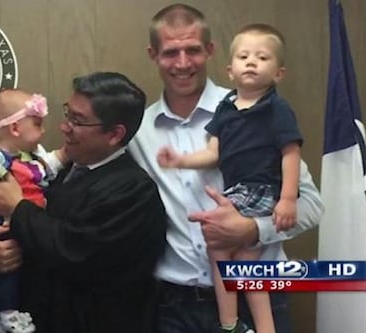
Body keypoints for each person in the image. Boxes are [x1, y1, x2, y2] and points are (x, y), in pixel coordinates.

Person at [127, 4, 324, 333]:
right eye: (171, 52)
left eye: (193, 50)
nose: (183, 63)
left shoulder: (257, 111)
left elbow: (312, 206)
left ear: (211, 50)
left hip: (259, 297)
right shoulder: (138, 132)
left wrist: (253, 230)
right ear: (153, 54)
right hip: (175, 308)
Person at [0, 71, 168, 333]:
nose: (64, 127)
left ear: (114, 134)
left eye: (78, 120)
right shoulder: (51, 172)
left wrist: (18, 209)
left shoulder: (133, 192)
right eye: (67, 114)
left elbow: (75, 252)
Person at [0, 89, 66, 333]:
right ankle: (5, 312)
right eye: (38, 124)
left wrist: (67, 153)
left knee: (18, 269)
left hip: (27, 228)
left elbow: (54, 161)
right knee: (7, 269)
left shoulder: (36, 156)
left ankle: (0, 310)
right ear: (16, 128)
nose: (44, 131)